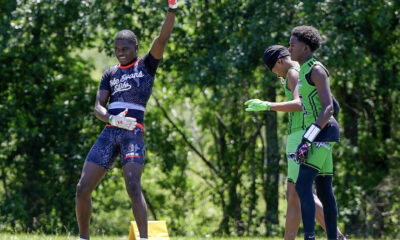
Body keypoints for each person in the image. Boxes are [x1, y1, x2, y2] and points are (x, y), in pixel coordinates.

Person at [75, 1, 177, 240]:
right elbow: (98, 108)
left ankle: (143, 238)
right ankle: (83, 237)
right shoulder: (110, 73)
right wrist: (111, 117)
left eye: (125, 49)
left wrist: (171, 9)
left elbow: (161, 39)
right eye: (117, 49)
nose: (121, 53)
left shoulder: (146, 66)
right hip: (110, 132)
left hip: (133, 134)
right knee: (82, 188)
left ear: (135, 48)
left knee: (132, 185)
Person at [245, 45, 345, 240]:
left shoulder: (293, 73)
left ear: (280, 61)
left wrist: (268, 106)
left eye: (272, 69)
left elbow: (300, 104)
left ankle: (338, 237)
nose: (274, 74)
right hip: (299, 134)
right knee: (293, 195)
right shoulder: (298, 71)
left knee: (301, 190)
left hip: (302, 134)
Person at [288, 25, 340, 240]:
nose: (289, 47)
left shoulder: (316, 69)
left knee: (302, 185)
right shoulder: (303, 70)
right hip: (320, 133)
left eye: (293, 44)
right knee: (325, 190)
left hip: (321, 134)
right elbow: (334, 105)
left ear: (306, 47)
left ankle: (309, 237)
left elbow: (328, 108)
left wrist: (307, 140)